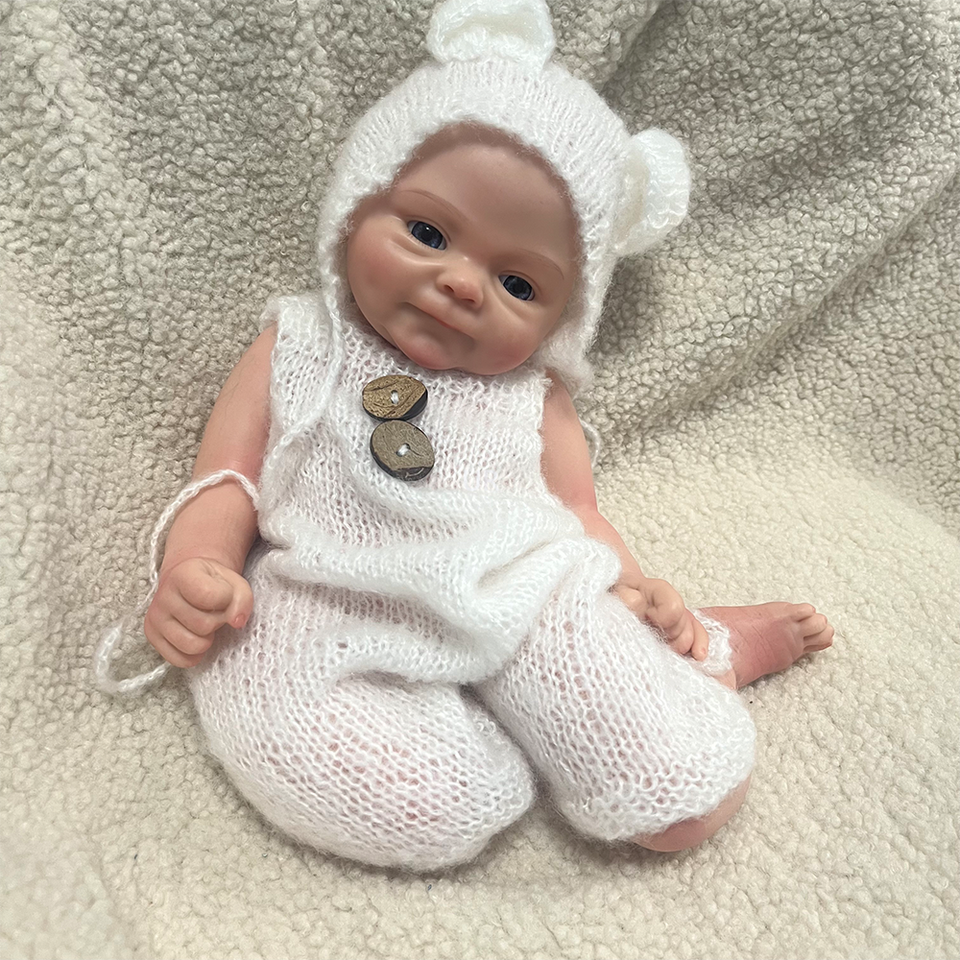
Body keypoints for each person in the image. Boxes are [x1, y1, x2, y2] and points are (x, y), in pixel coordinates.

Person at [96, 0, 833, 870]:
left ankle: (701, 656)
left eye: (519, 284)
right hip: (324, 599)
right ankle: (484, 739)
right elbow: (228, 476)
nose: (462, 285)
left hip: (519, 594)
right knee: (411, 801)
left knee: (676, 797)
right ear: (355, 207)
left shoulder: (534, 394)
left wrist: (635, 593)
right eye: (427, 232)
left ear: (563, 318)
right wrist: (197, 566)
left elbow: (579, 513)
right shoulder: (297, 343)